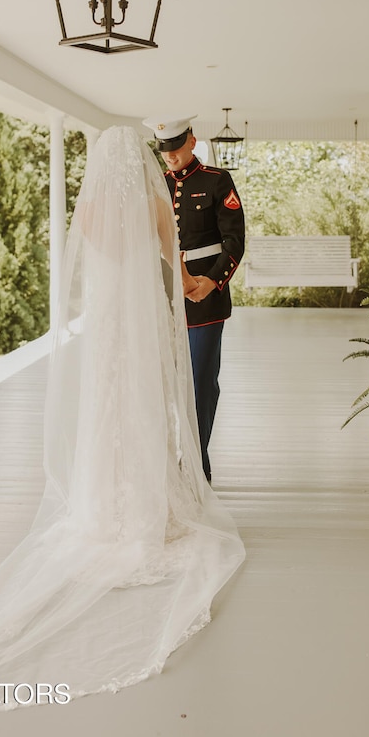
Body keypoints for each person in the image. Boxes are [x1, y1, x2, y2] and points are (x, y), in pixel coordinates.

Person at [0, 127, 244, 714]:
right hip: (141, 325)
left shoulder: (87, 210)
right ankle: (148, 506)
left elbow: (86, 275)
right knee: (144, 407)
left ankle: (101, 510)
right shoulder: (154, 203)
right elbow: (172, 265)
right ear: (137, 163)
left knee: (106, 412)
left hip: (106, 330)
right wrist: (197, 286)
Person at [143, 116, 245, 481]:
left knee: (201, 382)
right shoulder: (157, 187)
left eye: (175, 147)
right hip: (162, 295)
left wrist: (212, 281)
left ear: (191, 141)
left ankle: (197, 465)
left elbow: (234, 240)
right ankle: (167, 463)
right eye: (163, 149)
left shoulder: (217, 181)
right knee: (162, 381)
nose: (169, 156)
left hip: (205, 297)